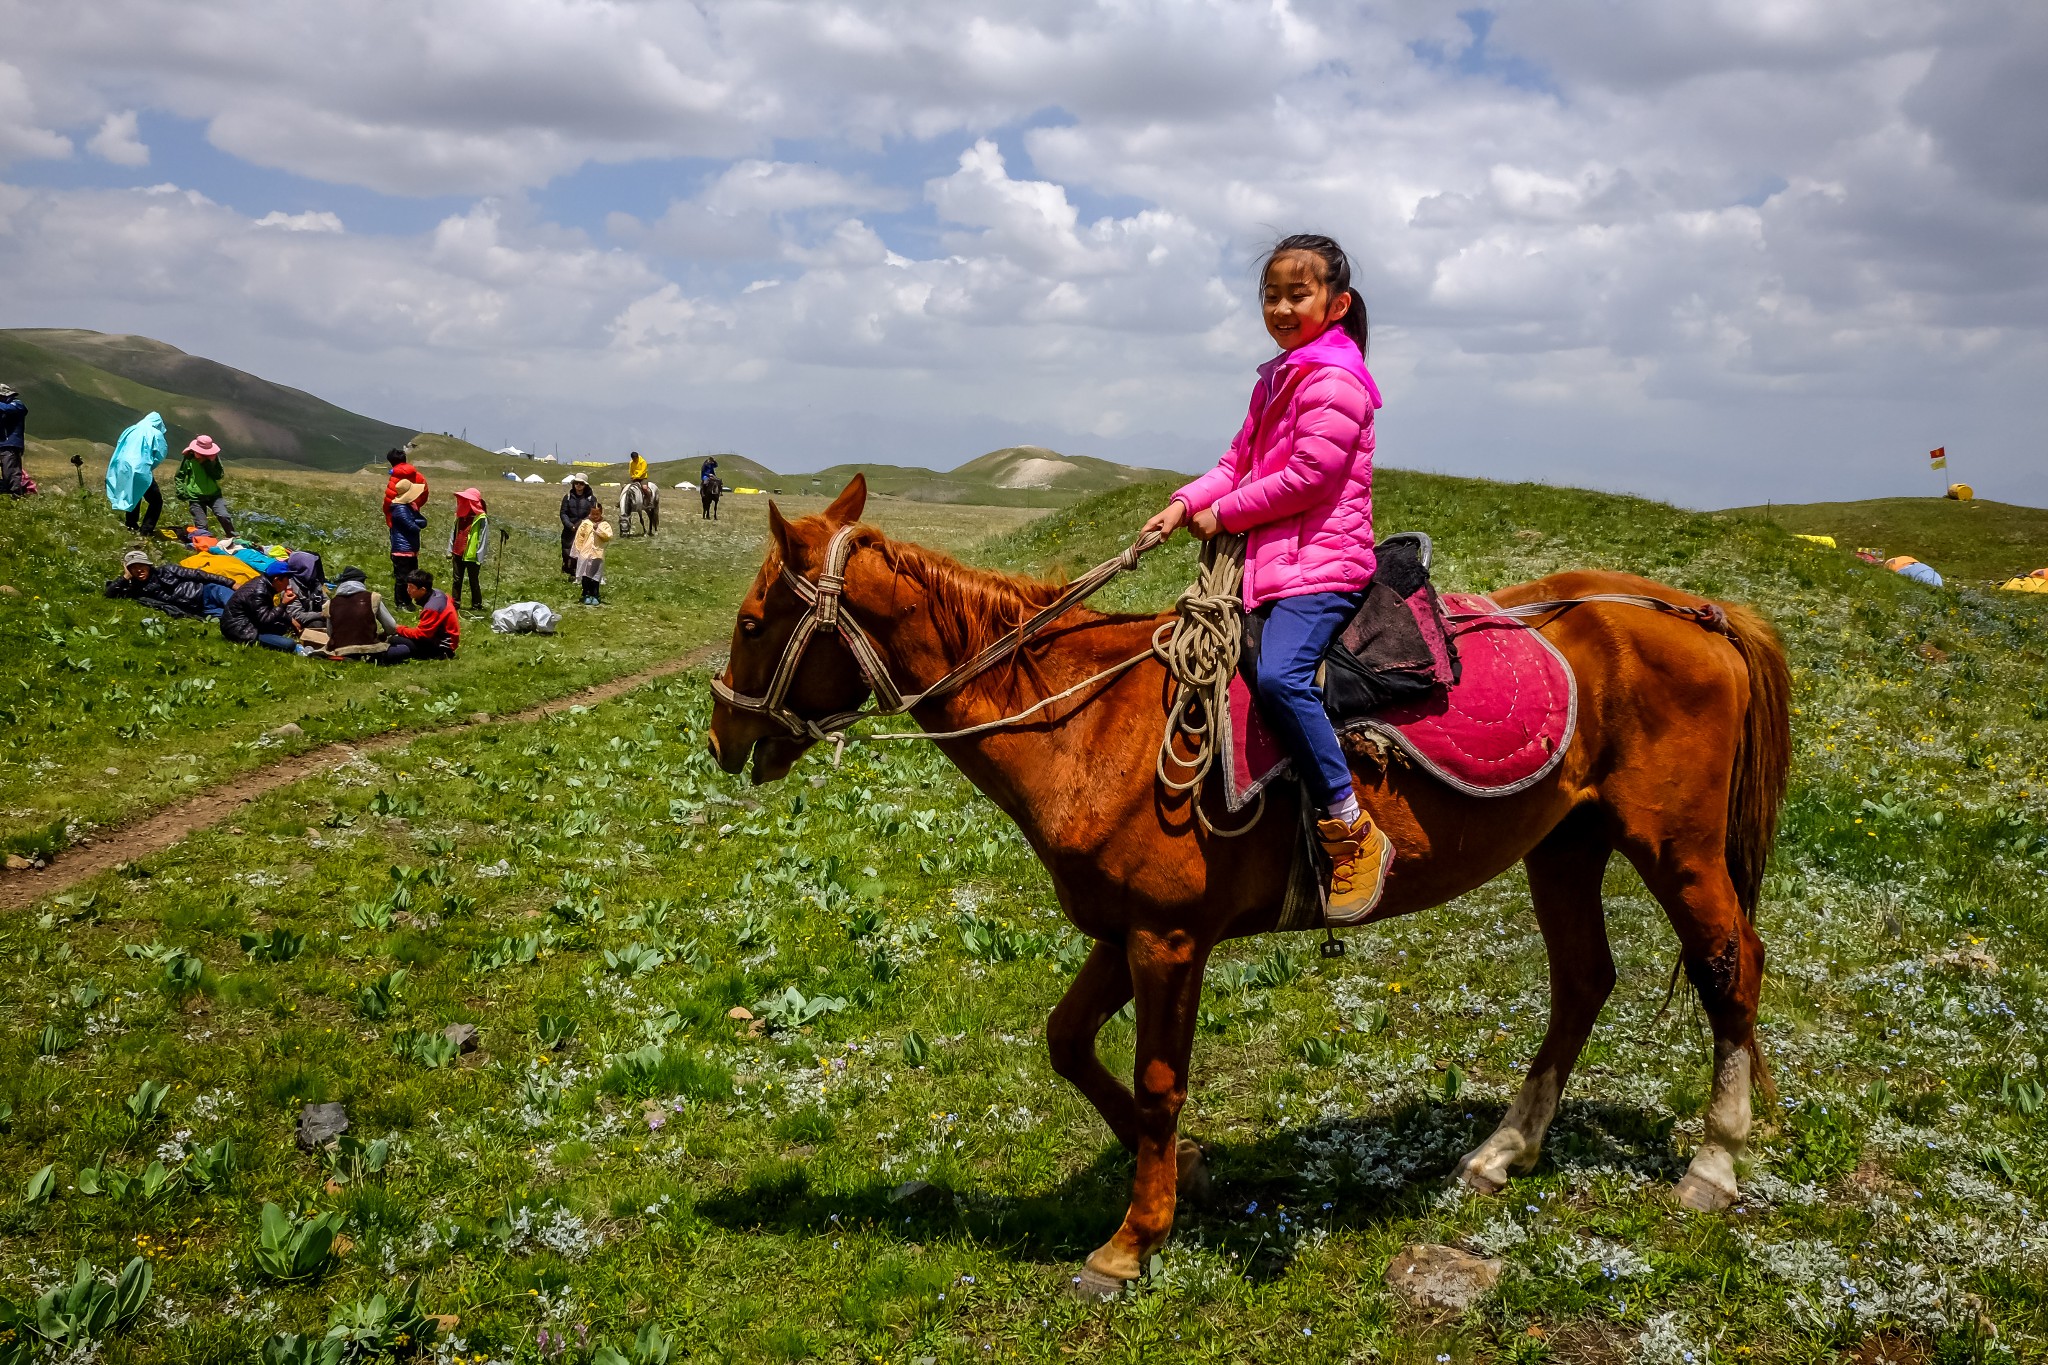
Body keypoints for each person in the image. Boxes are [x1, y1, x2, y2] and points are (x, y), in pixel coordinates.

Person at [1140, 232, 1390, 917]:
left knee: (1280, 674)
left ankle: (1350, 825)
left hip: (1324, 567)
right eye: (1271, 294)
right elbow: (1236, 464)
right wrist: (1182, 504)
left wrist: (1223, 516)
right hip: (1277, 565)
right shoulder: (1279, 378)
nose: (1281, 306)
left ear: (1336, 304)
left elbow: (1309, 479)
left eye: (1297, 293)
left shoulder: (1335, 380)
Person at [102, 549, 235, 618]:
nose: (139, 570)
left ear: (148, 566)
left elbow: (201, 574)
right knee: (234, 618)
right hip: (202, 609)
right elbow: (109, 594)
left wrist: (231, 584)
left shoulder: (167, 570)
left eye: (141, 565)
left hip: (209, 592)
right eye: (133, 568)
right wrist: (125, 576)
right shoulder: (137, 589)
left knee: (242, 606)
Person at [372, 569, 460, 664]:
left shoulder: (432, 608)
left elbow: (421, 634)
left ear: (422, 590)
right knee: (398, 639)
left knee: (395, 639)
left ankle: (378, 656)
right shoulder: (438, 594)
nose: (408, 590)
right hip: (444, 641)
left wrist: (398, 629)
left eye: (411, 587)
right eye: (408, 586)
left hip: (442, 648)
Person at [106, 411, 170, 535]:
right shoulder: (155, 433)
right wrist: (149, 466)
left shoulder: (130, 429)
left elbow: (120, 445)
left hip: (123, 465)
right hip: (140, 468)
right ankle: (146, 530)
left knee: (133, 493)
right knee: (156, 501)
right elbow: (160, 454)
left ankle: (131, 524)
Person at [323, 566, 400, 659]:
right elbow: (391, 626)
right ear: (362, 582)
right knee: (404, 648)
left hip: (341, 650)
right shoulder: (373, 598)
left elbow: (330, 633)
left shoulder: (330, 604)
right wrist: (383, 635)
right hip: (370, 648)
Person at [220, 566, 302, 652]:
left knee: (283, 628)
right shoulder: (259, 592)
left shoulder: (264, 584)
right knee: (289, 644)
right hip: (240, 630)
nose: (287, 584)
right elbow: (265, 619)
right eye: (286, 580)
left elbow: (265, 610)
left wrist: (290, 620)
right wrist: (283, 604)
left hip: (251, 622)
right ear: (277, 579)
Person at [173, 435, 235, 535]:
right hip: (195, 497)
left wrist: (207, 464)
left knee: (224, 516)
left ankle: (234, 537)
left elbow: (219, 475)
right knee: (202, 525)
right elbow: (179, 475)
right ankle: (203, 542)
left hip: (214, 495)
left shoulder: (214, 458)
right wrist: (181, 491)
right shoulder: (189, 458)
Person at [447, 487, 489, 611]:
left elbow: (483, 538)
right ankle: (455, 603)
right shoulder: (460, 516)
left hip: (472, 555)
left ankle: (476, 604)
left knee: (473, 581)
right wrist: (449, 550)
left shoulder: (481, 518)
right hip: (458, 552)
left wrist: (479, 556)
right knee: (457, 579)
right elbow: (453, 533)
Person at [389, 478, 427, 605]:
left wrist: (416, 521)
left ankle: (407, 600)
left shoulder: (410, 507)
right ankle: (400, 602)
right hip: (402, 550)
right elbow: (413, 527)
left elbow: (423, 522)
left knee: (411, 578)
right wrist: (417, 522)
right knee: (402, 579)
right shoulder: (400, 509)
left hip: (410, 549)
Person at [571, 500, 614, 606]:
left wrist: (598, 530)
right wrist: (578, 550)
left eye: (597, 514)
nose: (595, 516)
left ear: (601, 513)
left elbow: (608, 536)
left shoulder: (604, 525)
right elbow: (579, 537)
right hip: (585, 554)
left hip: (597, 554)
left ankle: (595, 595)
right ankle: (586, 594)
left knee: (595, 576)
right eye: (592, 514)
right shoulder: (585, 523)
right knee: (585, 576)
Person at [558, 475, 596, 576]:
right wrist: (570, 525)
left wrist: (582, 525)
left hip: (584, 530)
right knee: (566, 552)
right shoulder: (568, 497)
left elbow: (592, 514)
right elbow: (563, 513)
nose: (578, 485)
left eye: (581, 483)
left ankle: (578, 573)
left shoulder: (591, 499)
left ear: (585, 485)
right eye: (576, 483)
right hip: (569, 530)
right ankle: (568, 568)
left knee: (582, 553)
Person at [381, 447, 427, 526]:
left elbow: (389, 499)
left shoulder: (395, 478)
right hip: (414, 514)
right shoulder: (419, 476)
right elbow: (424, 494)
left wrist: (388, 514)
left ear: (391, 462)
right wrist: (416, 505)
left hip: (398, 514)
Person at [0, 382, 26, 498]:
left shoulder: (17, 404)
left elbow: (8, 409)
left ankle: (16, 495)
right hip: (2, 443)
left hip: (11, 444)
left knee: (10, 471)